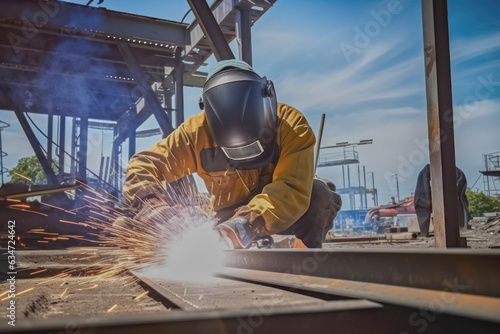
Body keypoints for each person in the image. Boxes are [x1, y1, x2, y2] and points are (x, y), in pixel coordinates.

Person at [120, 59, 341, 249]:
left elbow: (292, 189)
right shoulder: (196, 133)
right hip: (229, 213)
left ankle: (304, 257)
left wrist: (245, 226)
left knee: (319, 194)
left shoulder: (291, 126)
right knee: (125, 226)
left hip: (287, 208)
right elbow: (143, 164)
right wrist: (154, 207)